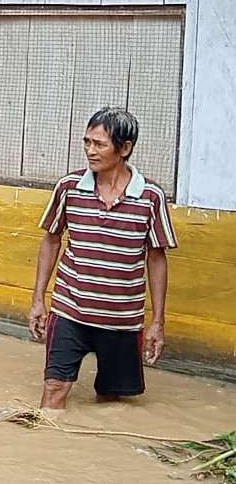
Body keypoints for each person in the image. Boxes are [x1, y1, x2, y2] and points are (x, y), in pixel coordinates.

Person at [29, 107, 177, 409]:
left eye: (99, 144)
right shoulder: (69, 188)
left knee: (110, 402)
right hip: (70, 311)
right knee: (54, 388)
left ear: (124, 148)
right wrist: (38, 300)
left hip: (122, 321)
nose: (90, 151)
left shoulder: (150, 197)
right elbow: (51, 239)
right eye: (87, 142)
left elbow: (157, 258)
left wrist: (158, 322)